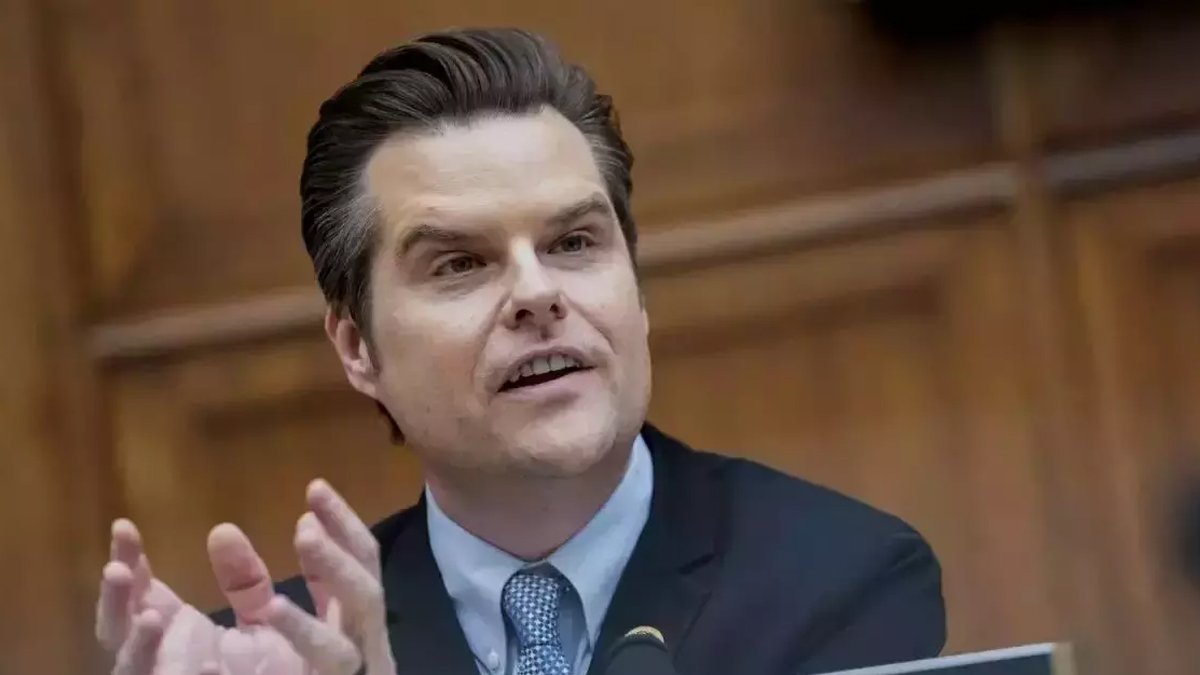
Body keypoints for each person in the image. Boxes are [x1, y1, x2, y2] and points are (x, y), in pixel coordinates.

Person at [94, 27, 947, 675]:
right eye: (460, 264)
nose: (538, 293)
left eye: (574, 243)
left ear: (636, 290)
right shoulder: (281, 655)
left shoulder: (841, 582)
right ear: (357, 347)